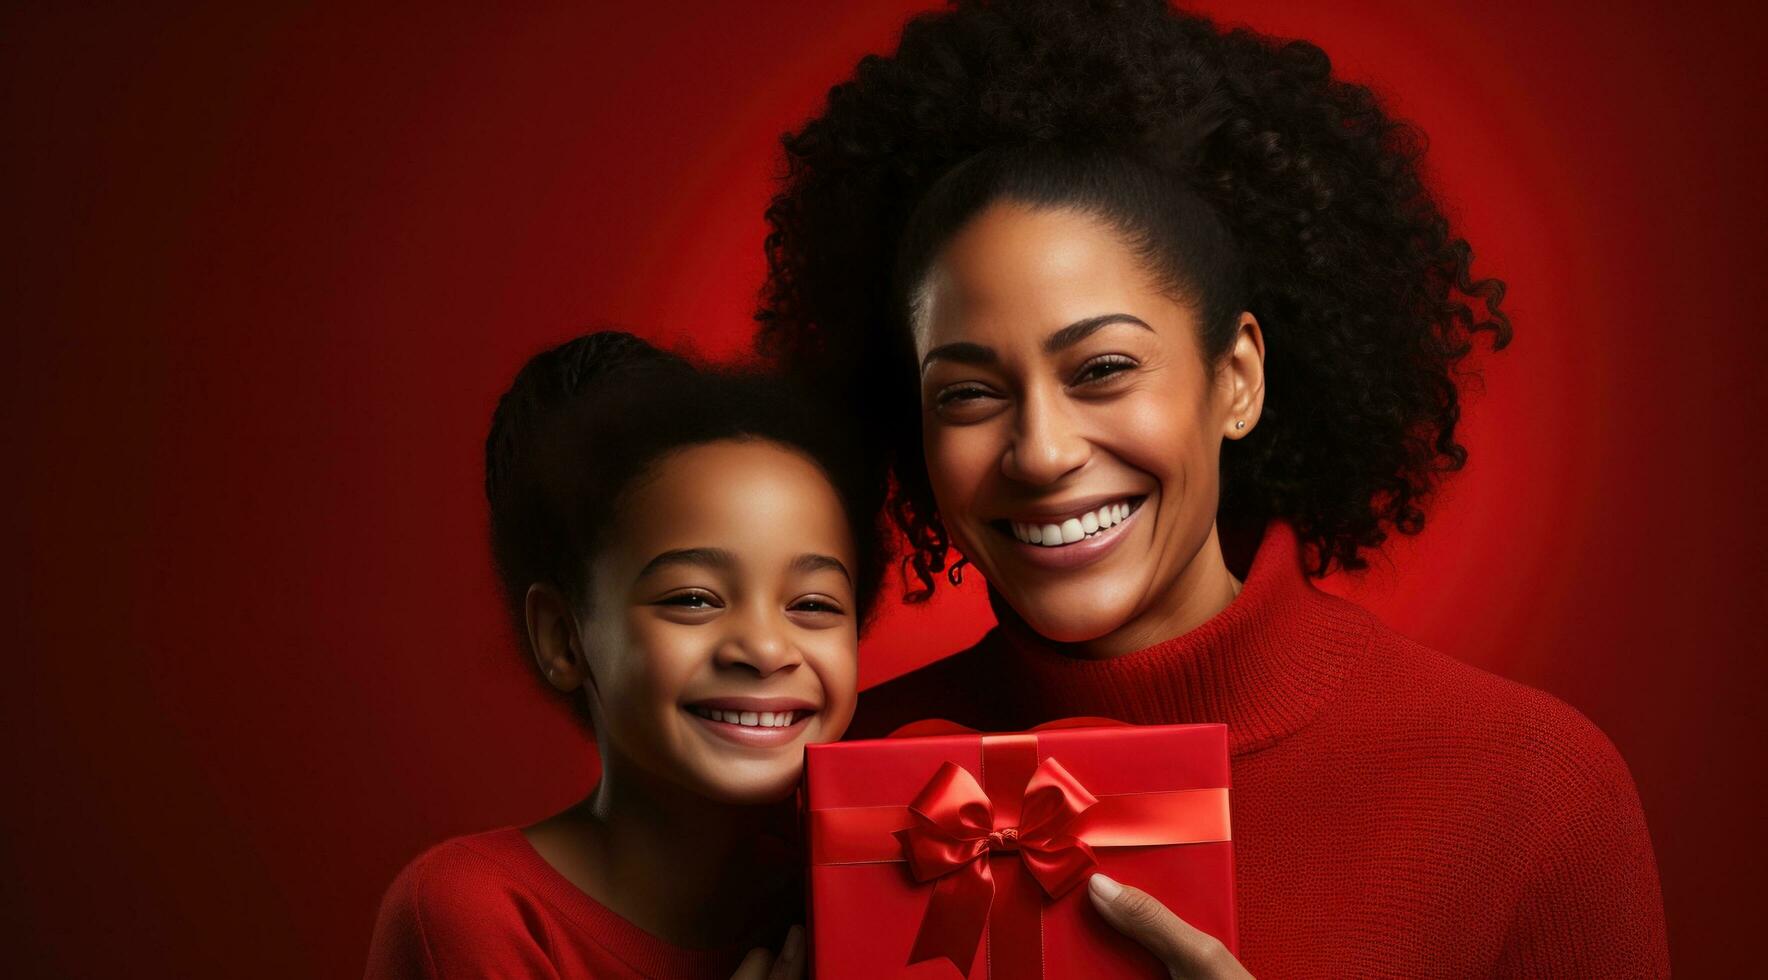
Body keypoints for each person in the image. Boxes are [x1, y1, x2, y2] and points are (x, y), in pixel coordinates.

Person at [756, 1, 1669, 975]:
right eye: (970, 392)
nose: (1041, 450)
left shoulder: (1529, 786)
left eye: (1102, 368)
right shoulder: (819, 787)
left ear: (1234, 379)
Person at [365, 332, 885, 979]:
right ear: (563, 636)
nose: (766, 649)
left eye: (812, 604)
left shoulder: (896, 873)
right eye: (694, 599)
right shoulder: (473, 912)